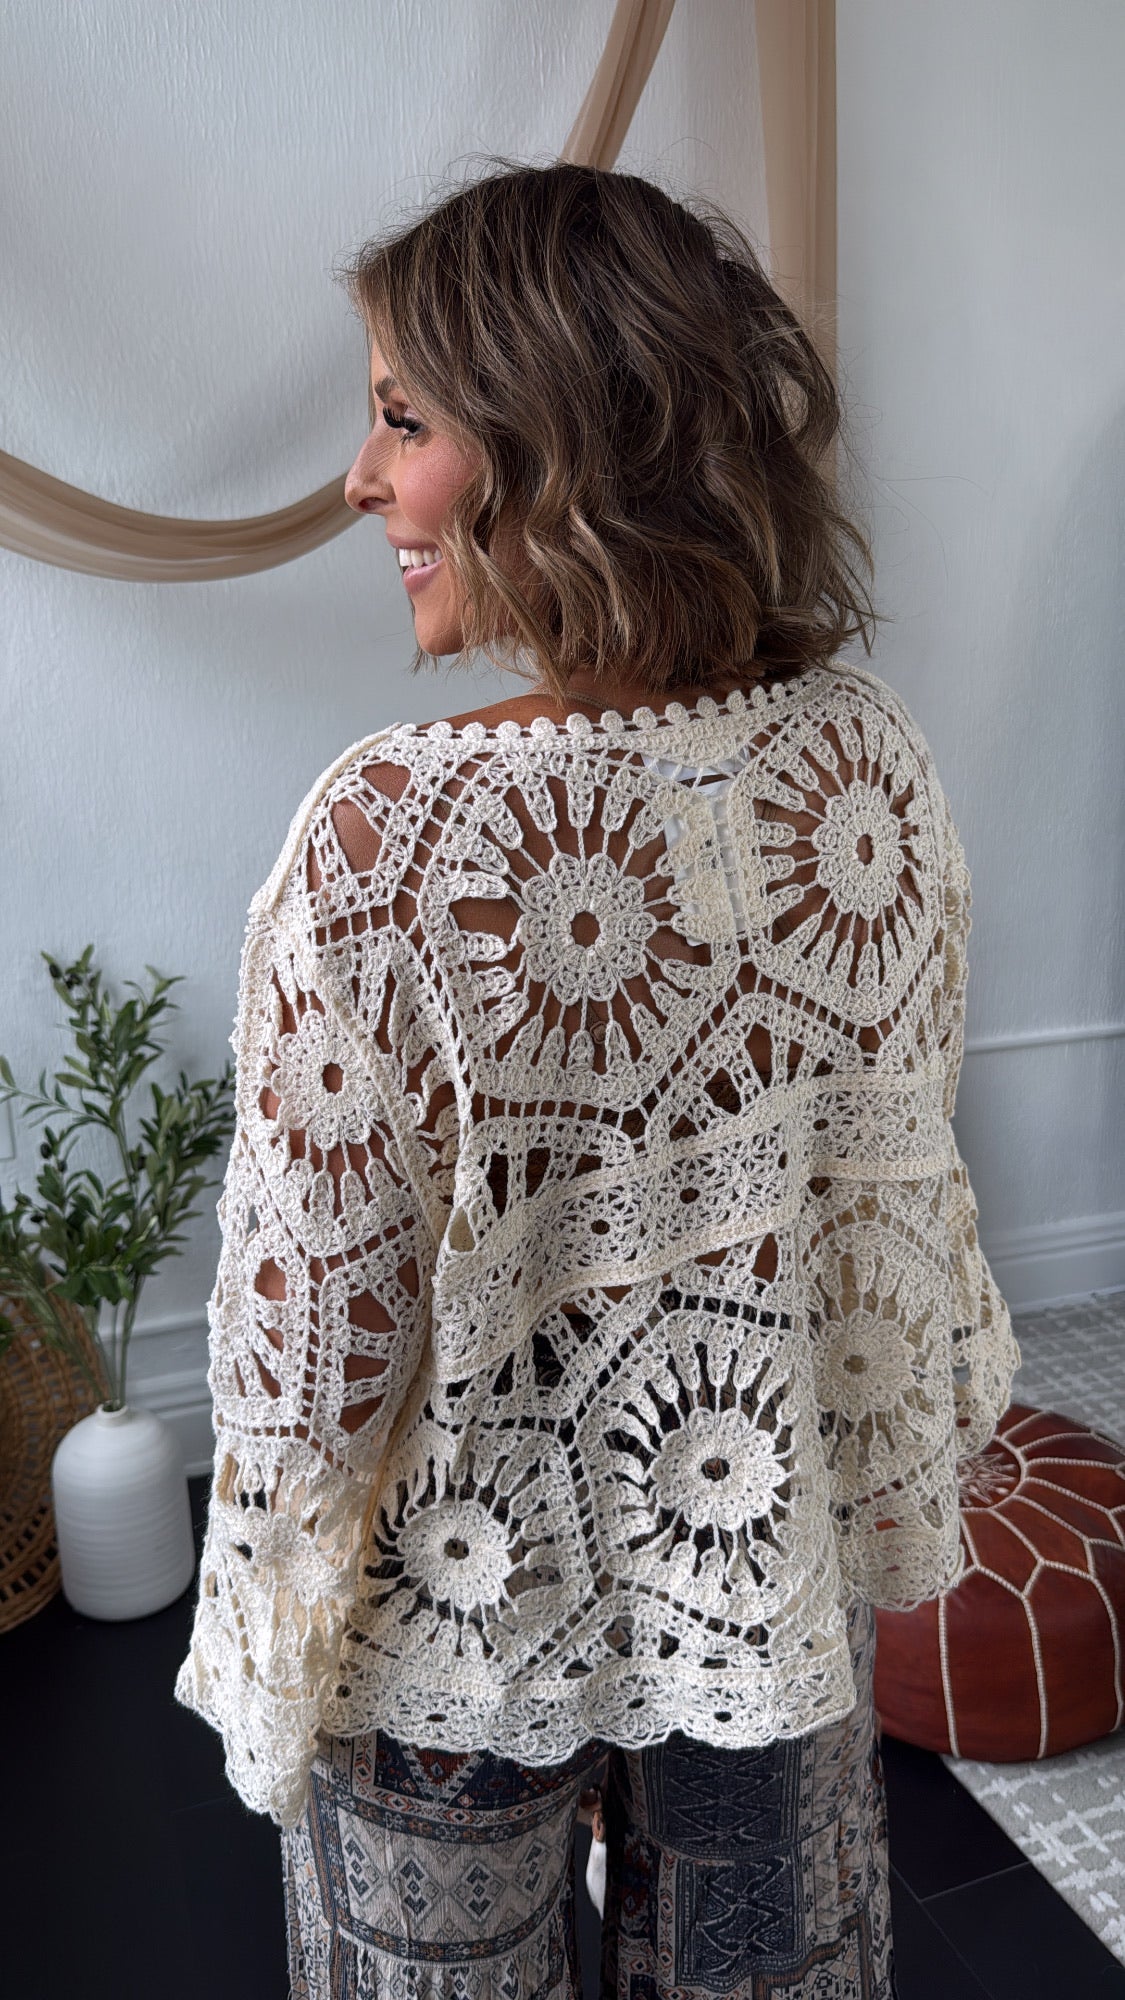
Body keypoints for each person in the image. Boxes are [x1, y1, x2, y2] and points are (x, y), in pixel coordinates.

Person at [175, 157, 1018, 2000]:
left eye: (404, 420)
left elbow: (311, 1372)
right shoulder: (865, 766)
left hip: (457, 1627)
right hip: (759, 1575)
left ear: (557, 437)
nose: (361, 478)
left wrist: (264, 1645)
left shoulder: (389, 840)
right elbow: (880, 1197)